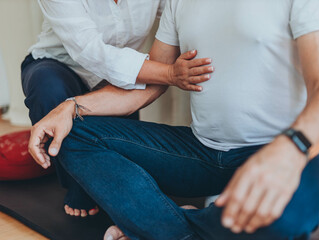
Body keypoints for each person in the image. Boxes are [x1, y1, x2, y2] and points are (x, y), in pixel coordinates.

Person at [29, 0, 319, 239]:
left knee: (286, 222)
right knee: (72, 133)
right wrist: (70, 107)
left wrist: (289, 150)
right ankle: (193, 225)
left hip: (290, 155)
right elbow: (150, 83)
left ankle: (163, 229)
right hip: (204, 153)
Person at [21, 0, 213, 218]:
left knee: (126, 158)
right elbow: (91, 51)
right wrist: (170, 74)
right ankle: (77, 184)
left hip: (120, 77)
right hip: (60, 65)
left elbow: (180, 10)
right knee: (48, 89)